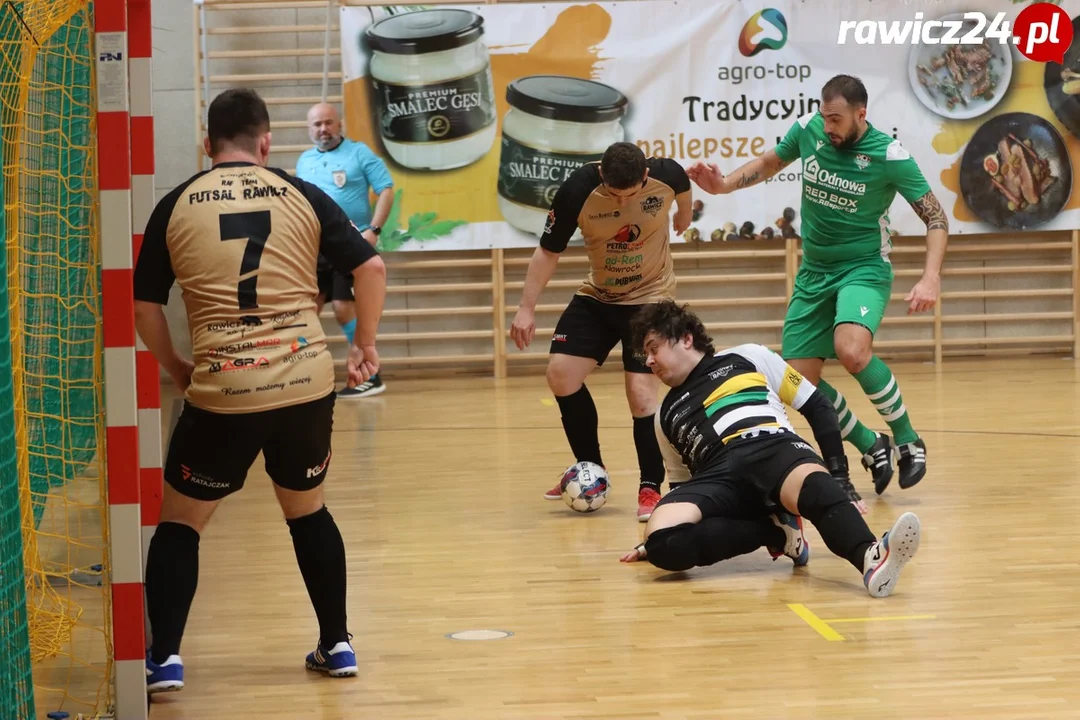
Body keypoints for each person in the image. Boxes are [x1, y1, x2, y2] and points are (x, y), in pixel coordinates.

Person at [132, 88, 387, 693]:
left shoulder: (176, 203)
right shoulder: (300, 191)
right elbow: (370, 268)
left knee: (181, 525)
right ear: (266, 143)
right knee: (307, 510)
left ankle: (164, 658)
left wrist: (173, 365)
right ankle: (338, 644)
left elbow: (144, 306)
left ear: (207, 143)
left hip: (224, 387)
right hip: (304, 381)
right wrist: (364, 345)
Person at [687, 74, 948, 499]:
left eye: (837, 119)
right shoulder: (810, 131)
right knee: (797, 380)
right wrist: (723, 185)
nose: (828, 126)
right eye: (825, 116)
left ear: (861, 114)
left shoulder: (889, 154)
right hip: (814, 273)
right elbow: (769, 163)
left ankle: (906, 438)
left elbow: (936, 218)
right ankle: (870, 444)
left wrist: (930, 277)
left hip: (863, 268)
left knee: (851, 350)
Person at [619, 301, 921, 599]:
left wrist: (840, 477)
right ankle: (778, 533)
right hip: (718, 476)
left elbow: (817, 405)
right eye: (644, 353)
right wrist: (664, 535)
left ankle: (871, 556)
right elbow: (681, 485)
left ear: (685, 339)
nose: (648, 361)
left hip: (773, 448)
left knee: (818, 489)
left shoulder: (749, 356)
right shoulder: (664, 415)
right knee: (662, 543)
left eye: (653, 348)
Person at [509, 142, 693, 521]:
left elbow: (684, 187)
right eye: (612, 193)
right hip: (598, 295)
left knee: (641, 394)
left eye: (628, 194)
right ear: (602, 177)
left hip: (651, 298)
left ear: (644, 176)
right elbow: (547, 251)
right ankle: (590, 469)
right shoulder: (578, 189)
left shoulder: (666, 174)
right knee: (560, 375)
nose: (620, 200)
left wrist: (684, 217)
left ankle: (649, 487)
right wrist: (526, 308)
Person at [298, 102, 395, 398]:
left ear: (339, 124)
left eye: (328, 122)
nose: (323, 129)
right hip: (314, 248)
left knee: (343, 309)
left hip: (349, 243)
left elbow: (386, 189)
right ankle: (300, 376)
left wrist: (374, 231)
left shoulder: (358, 153)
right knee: (305, 311)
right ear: (309, 129)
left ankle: (369, 374)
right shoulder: (304, 161)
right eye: (317, 124)